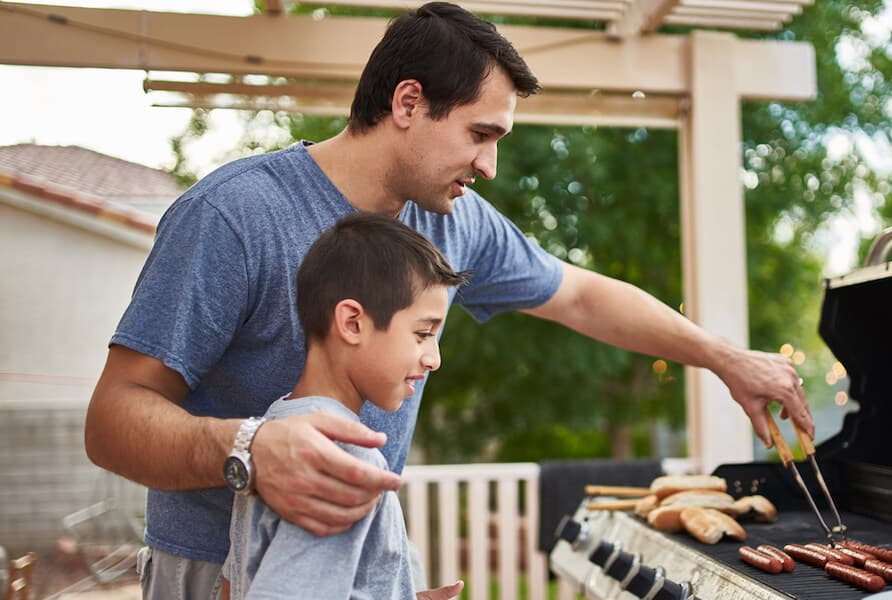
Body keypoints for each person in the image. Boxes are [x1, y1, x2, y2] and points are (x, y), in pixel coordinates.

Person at [85, 2, 813, 598]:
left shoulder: (451, 222)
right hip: (213, 571)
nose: (489, 165)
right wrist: (250, 449)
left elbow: (582, 297)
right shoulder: (234, 215)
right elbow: (112, 420)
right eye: (480, 134)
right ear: (408, 102)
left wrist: (725, 359)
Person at [224, 212, 467, 599]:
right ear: (352, 323)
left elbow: (234, 583)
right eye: (423, 333)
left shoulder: (277, 428)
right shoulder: (343, 459)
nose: (434, 359)